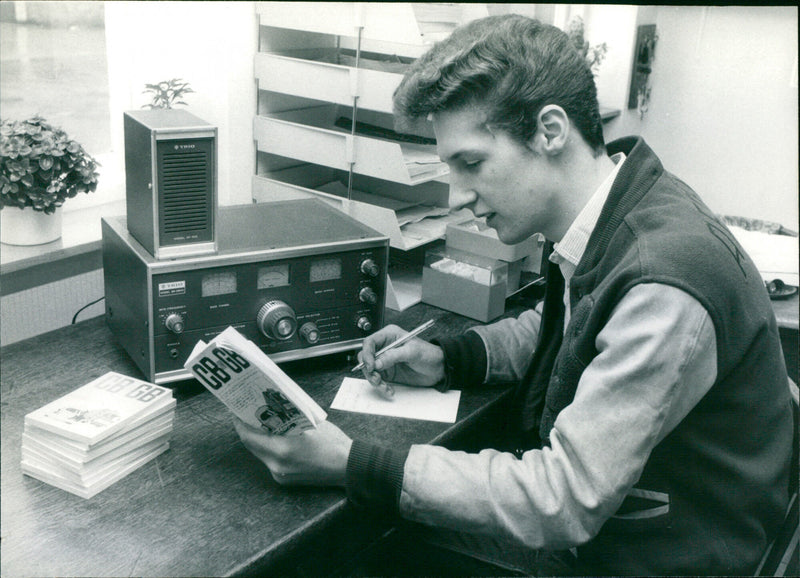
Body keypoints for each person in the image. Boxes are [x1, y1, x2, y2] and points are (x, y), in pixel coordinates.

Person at [233, 14, 795, 576]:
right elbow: (577, 326)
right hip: (630, 533)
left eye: (471, 163)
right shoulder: (624, 208)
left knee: (354, 554)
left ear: (550, 131)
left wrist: (351, 463)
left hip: (651, 562)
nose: (456, 196)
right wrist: (452, 357)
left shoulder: (662, 280)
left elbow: (562, 499)